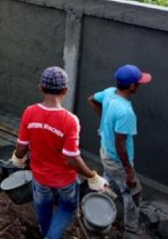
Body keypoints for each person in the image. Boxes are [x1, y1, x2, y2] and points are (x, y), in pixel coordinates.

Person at [12, 66, 108, 239]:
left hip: (40, 177)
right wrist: (92, 176)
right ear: (65, 90)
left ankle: (46, 232)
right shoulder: (70, 121)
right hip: (65, 180)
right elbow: (71, 157)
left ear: (41, 87)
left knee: (43, 206)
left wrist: (17, 158)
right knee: (67, 207)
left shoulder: (30, 112)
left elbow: (22, 146)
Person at [88, 65, 152, 236]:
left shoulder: (109, 92)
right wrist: (129, 172)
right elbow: (120, 144)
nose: (140, 85)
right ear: (132, 86)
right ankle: (131, 228)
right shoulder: (125, 112)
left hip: (105, 152)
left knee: (108, 182)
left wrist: (104, 121)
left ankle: (98, 212)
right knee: (134, 192)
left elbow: (91, 99)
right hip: (116, 159)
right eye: (138, 83)